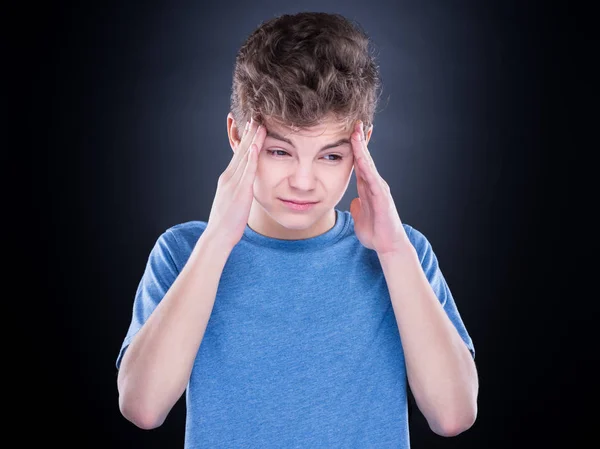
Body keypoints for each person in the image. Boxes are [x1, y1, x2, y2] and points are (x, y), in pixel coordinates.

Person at [115, 11, 478, 448]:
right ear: (237, 135)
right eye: (280, 151)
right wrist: (215, 242)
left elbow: (454, 415)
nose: (304, 182)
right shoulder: (184, 251)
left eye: (330, 156)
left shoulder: (403, 252)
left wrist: (395, 252)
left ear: (362, 146)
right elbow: (142, 407)